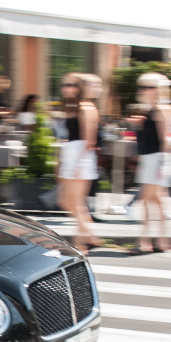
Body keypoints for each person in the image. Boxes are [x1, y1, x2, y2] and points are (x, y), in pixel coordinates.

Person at [132, 73, 171, 254]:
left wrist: (162, 165)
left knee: (147, 201)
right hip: (152, 158)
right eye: (142, 87)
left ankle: (144, 242)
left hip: (157, 159)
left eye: (148, 87)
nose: (143, 91)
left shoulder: (161, 109)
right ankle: (161, 241)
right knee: (157, 202)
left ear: (158, 90)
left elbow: (168, 139)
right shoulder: (153, 110)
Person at [58, 73, 102, 254]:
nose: (67, 88)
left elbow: (89, 140)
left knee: (76, 203)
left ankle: (80, 244)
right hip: (72, 155)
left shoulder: (86, 108)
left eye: (71, 85)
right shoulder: (74, 107)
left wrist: (78, 164)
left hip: (80, 157)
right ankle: (90, 236)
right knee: (64, 201)